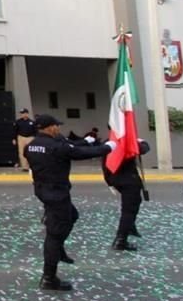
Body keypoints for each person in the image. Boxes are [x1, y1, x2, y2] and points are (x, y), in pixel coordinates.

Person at [26, 115, 115, 291]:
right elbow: (78, 153)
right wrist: (107, 147)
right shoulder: (55, 147)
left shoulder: (31, 146)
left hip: (43, 191)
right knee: (54, 235)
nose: (58, 129)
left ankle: (58, 249)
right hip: (57, 194)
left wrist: (86, 141)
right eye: (56, 126)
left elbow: (71, 147)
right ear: (49, 128)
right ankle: (49, 278)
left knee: (72, 216)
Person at [103, 137, 151, 251]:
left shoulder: (109, 142)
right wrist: (140, 141)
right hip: (129, 180)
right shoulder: (129, 142)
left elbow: (104, 164)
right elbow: (144, 148)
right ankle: (121, 240)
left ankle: (130, 226)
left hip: (115, 178)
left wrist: (109, 181)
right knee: (129, 210)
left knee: (134, 203)